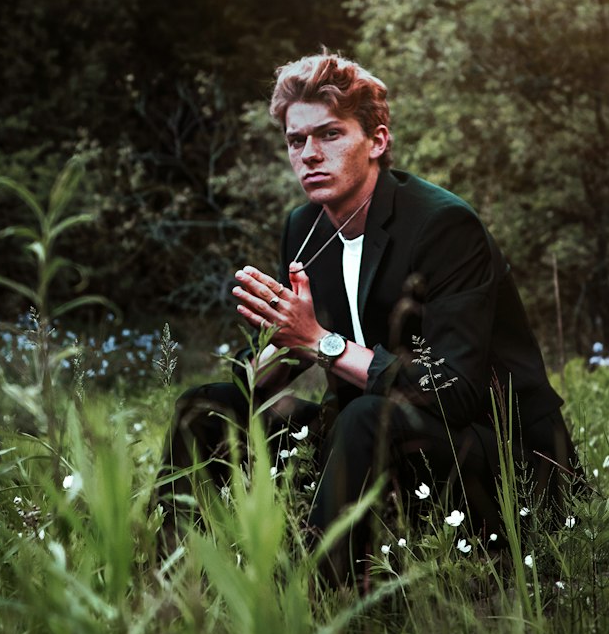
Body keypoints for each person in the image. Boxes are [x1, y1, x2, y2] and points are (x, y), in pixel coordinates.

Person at [160, 51, 577, 587]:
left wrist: (321, 343)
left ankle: (312, 603)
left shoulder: (443, 226)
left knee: (364, 418)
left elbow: (454, 392)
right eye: (296, 141)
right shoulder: (304, 227)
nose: (309, 154)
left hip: (498, 459)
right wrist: (276, 346)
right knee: (206, 406)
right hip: (366, 445)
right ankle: (170, 582)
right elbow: (296, 349)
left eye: (330, 135)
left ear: (377, 141)